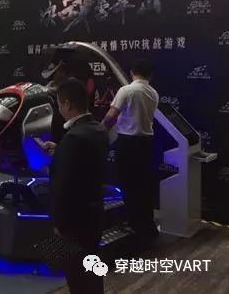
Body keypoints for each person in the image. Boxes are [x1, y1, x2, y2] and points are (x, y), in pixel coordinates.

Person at [47, 78, 109, 294]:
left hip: (74, 223)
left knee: (77, 278)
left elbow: (63, 186)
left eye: (59, 105)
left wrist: (58, 222)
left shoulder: (73, 139)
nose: (59, 110)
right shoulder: (98, 129)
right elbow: (84, 164)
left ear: (68, 104)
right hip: (93, 215)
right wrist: (60, 150)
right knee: (91, 272)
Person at [102, 59, 160, 244]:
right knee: (143, 185)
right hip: (146, 144)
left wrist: (98, 132)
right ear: (151, 75)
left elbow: (111, 116)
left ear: (131, 72)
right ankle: (147, 226)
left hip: (128, 144)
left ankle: (135, 225)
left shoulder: (126, 90)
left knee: (129, 185)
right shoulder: (153, 93)